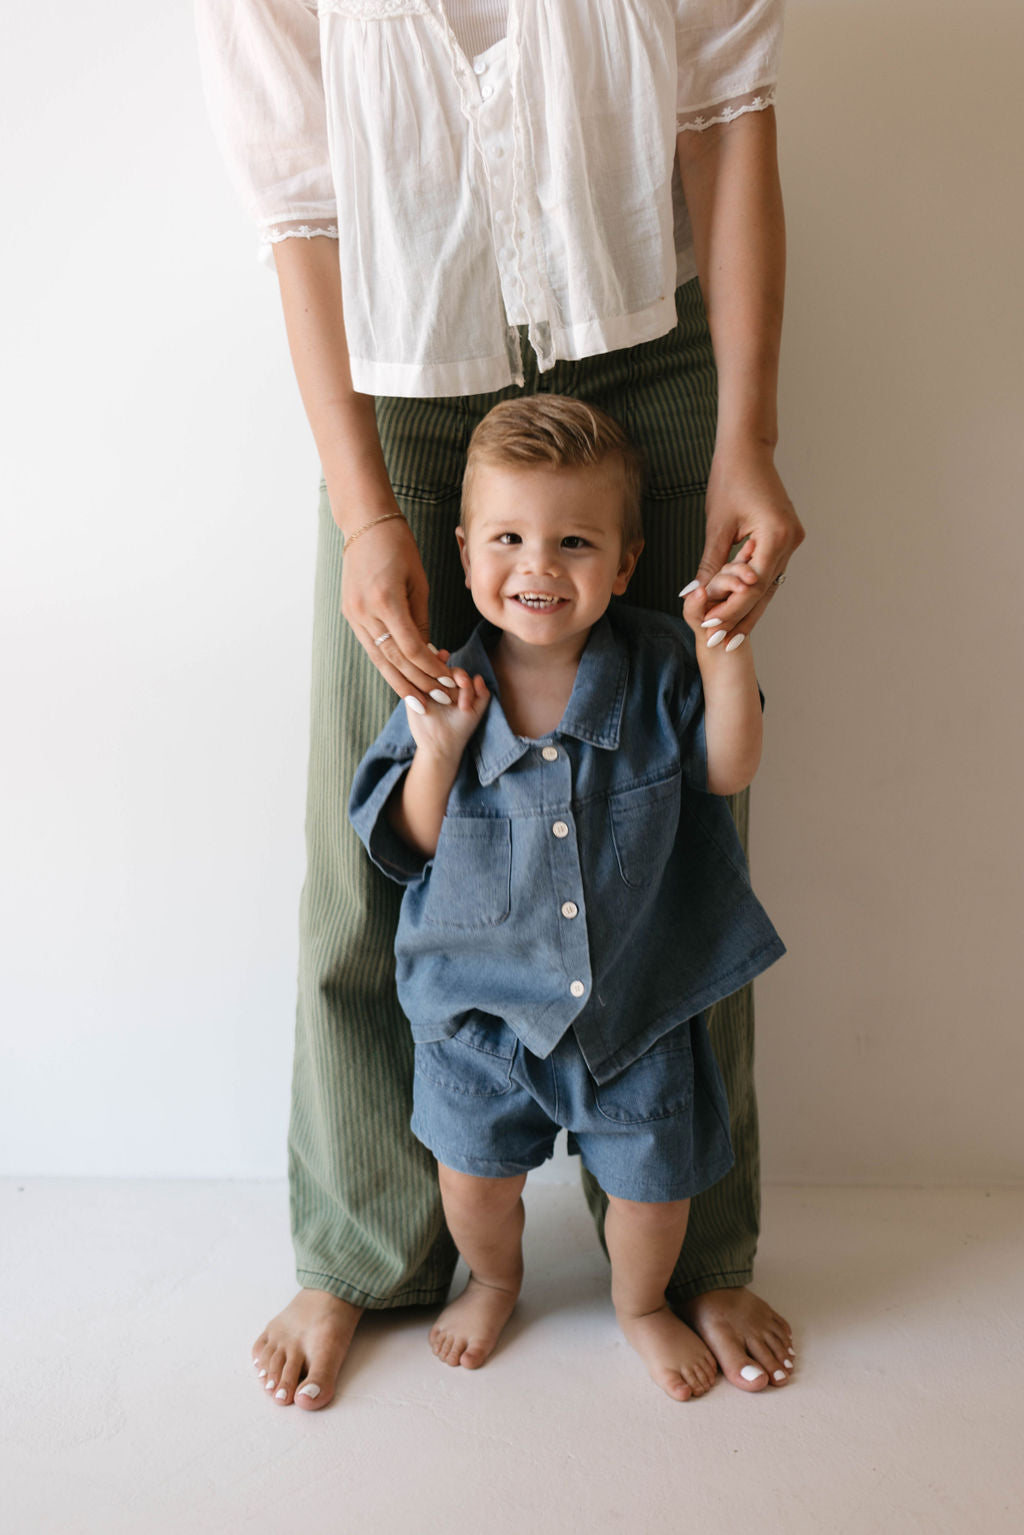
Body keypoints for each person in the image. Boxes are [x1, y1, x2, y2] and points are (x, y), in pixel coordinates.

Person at [195, 0, 804, 1409]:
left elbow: (728, 118)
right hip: (399, 369)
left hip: (651, 335)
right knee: (387, 828)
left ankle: (694, 1239)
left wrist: (747, 435)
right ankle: (365, 1251)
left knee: (674, 821)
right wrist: (362, 514)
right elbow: (303, 217)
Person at [349, 397, 787, 1401]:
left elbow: (727, 769)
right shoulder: (442, 689)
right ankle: (495, 1280)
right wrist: (439, 754)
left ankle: (639, 1303)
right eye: (509, 538)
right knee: (475, 1182)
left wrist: (725, 659)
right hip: (479, 1017)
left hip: (632, 1008)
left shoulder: (660, 669)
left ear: (624, 564)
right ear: (464, 554)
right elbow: (402, 848)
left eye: (573, 541)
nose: (539, 565)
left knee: (652, 1192)